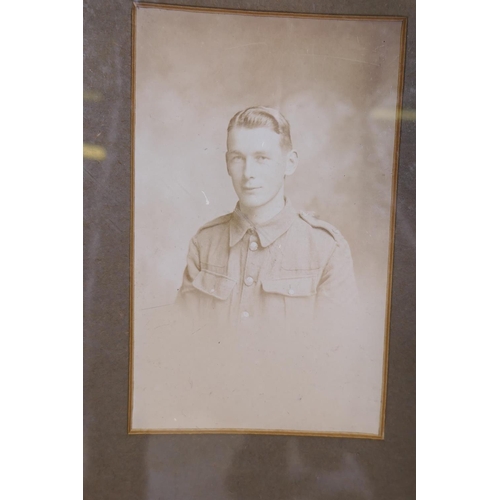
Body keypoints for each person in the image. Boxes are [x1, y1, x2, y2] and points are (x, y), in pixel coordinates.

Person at [175, 106, 357, 340]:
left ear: (289, 163)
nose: (248, 172)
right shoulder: (205, 243)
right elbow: (181, 345)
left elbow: (339, 355)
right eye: (238, 158)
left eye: (261, 158)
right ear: (227, 164)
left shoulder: (326, 249)